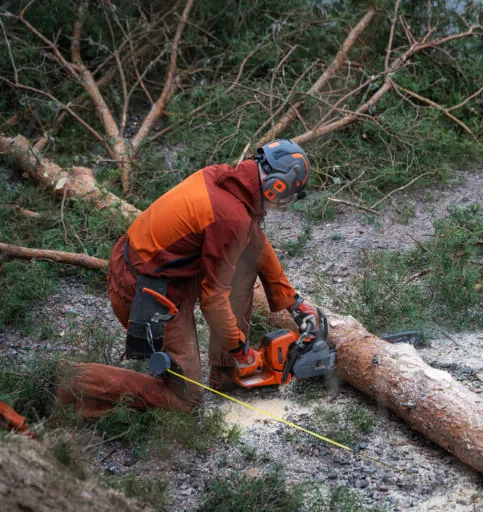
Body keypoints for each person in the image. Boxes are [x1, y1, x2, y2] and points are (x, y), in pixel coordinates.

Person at [56, 139, 321, 417]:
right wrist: (242, 350)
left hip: (161, 269)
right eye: (285, 197)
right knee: (185, 398)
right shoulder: (230, 218)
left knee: (244, 261)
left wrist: (293, 301)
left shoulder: (224, 178)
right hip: (145, 290)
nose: (280, 205)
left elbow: (253, 238)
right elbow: (213, 300)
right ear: (277, 185)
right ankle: (72, 379)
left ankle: (226, 373)